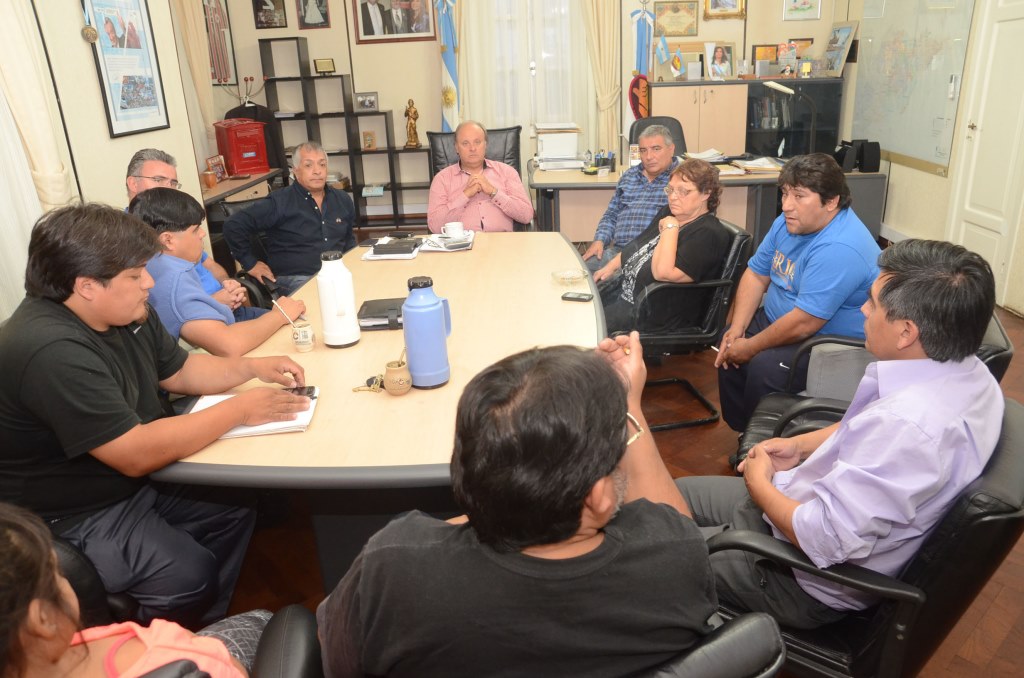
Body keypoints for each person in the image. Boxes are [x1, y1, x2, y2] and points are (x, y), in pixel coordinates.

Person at [317, 335, 718, 677]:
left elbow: (336, 659)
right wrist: (631, 406)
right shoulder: (675, 559)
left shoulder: (393, 567)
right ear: (598, 498)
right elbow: (678, 529)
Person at [0, 204, 313, 627]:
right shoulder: (49, 349)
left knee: (234, 507)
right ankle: (148, 647)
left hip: (126, 481)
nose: (149, 282)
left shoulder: (128, 310)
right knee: (186, 576)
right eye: (135, 275)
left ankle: (201, 628)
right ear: (87, 286)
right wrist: (240, 408)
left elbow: (180, 371)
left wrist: (251, 369)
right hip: (70, 512)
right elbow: (134, 453)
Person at [680, 239, 1002, 630]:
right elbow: (862, 424)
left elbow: (823, 539)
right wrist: (798, 446)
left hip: (796, 576)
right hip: (792, 507)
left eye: (873, 303)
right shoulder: (967, 370)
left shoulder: (910, 427)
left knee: (655, 552)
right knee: (673, 496)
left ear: (905, 332)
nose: (863, 311)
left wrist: (756, 479)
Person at [0, 501, 275, 677]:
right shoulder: (173, 659)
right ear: (43, 620)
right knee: (262, 620)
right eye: (57, 573)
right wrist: (191, 643)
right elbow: (230, 669)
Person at [715, 153, 881, 432]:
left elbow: (806, 322)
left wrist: (751, 347)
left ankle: (766, 441)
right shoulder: (789, 222)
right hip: (784, 318)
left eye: (799, 196)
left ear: (831, 202)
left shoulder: (839, 247)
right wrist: (738, 328)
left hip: (824, 338)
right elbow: (756, 274)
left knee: (763, 367)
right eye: (785, 194)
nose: (786, 206)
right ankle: (746, 434)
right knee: (728, 342)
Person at [130, 188, 305, 357]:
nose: (203, 234)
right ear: (168, 240)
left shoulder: (150, 259)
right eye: (195, 229)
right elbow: (229, 345)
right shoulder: (175, 276)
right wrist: (279, 315)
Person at [596, 159, 731, 334]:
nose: (673, 197)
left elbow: (662, 273)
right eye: (671, 189)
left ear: (706, 193)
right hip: (628, 299)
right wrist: (610, 267)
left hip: (654, 317)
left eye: (683, 191)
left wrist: (670, 228)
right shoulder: (670, 211)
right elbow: (638, 244)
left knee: (585, 328)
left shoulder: (708, 233)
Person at [223, 141, 357, 297]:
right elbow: (233, 225)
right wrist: (250, 263)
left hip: (337, 275)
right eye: (308, 165)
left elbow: (348, 242)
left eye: (322, 165)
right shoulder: (279, 202)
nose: (317, 171)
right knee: (333, 298)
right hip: (297, 279)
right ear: (296, 171)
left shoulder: (342, 199)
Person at [125, 149, 246, 316]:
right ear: (133, 183)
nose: (169, 188)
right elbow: (162, 304)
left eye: (173, 183)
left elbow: (209, 264)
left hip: (228, 304)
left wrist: (228, 284)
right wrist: (214, 302)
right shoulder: (126, 237)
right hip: (201, 317)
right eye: (158, 179)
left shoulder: (177, 219)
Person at [582, 125, 678, 273]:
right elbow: (611, 215)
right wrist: (599, 240)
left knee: (603, 283)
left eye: (656, 149)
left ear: (671, 149)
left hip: (651, 256)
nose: (649, 156)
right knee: (579, 273)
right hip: (616, 251)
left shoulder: (681, 180)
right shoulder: (629, 176)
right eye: (643, 150)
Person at [426, 121, 535, 233]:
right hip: (461, 246)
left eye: (477, 142)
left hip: (502, 244)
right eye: (465, 143)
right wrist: (465, 195)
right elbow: (434, 226)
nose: (472, 148)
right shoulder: (442, 179)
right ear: (456, 148)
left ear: (485, 145)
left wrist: (494, 192)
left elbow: (526, 215)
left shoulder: (507, 172)